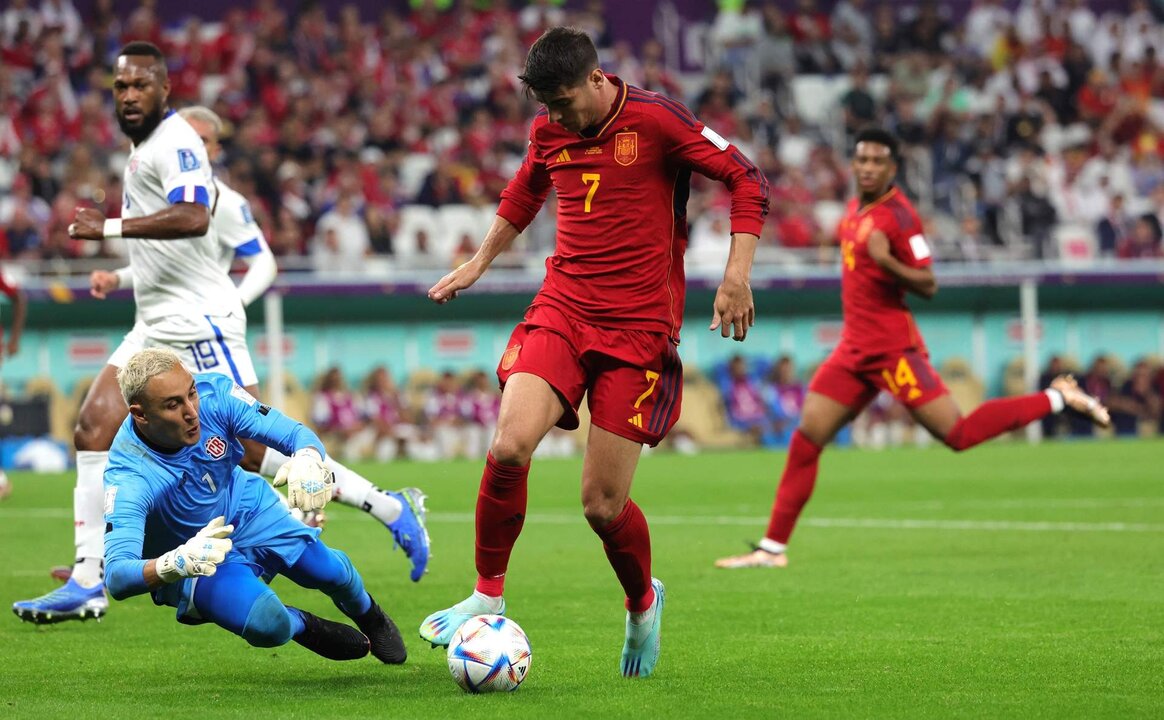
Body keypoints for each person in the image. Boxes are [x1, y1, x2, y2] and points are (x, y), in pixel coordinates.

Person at [13, 43, 427, 625]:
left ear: (167, 95)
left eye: (140, 86)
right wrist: (124, 271)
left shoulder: (190, 163)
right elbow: (175, 255)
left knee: (256, 452)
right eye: (120, 87)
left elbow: (201, 226)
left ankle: (386, 506)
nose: (128, 96)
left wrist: (108, 228)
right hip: (155, 319)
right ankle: (89, 576)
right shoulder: (144, 153)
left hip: (198, 326)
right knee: (90, 428)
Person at [419, 27, 769, 678]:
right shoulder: (549, 130)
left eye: (562, 102)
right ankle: (487, 592)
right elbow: (526, 193)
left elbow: (746, 179)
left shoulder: (658, 121)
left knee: (601, 506)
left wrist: (735, 275)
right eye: (544, 106)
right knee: (507, 445)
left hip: (638, 329)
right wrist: (478, 261)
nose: (554, 117)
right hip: (564, 306)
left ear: (596, 79)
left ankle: (642, 602)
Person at [714, 128, 1110, 570]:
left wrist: (885, 261)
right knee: (807, 437)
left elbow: (929, 283)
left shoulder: (901, 218)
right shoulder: (853, 210)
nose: (866, 168)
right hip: (853, 351)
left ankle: (1058, 396)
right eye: (861, 159)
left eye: (876, 161)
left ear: (893, 168)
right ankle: (772, 549)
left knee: (957, 435)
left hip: (892, 350)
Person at [92, 348, 407, 663]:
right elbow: (117, 576)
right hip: (197, 555)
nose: (191, 411)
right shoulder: (130, 477)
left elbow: (294, 433)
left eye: (191, 394)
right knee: (268, 625)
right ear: (141, 414)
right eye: (173, 405)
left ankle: (369, 614)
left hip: (245, 506)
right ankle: (301, 624)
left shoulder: (216, 394)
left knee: (330, 572)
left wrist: (308, 458)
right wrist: (175, 562)